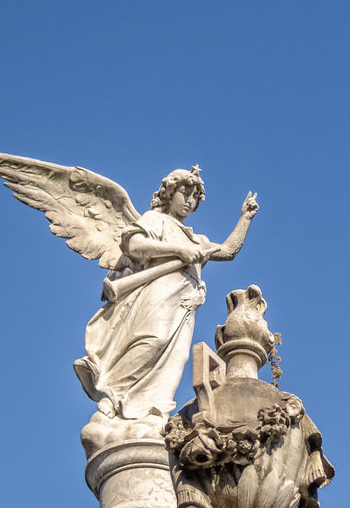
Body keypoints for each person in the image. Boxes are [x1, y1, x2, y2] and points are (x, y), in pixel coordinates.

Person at [73, 168, 258, 420]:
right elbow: (134, 245)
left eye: (195, 197)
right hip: (158, 294)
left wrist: (245, 218)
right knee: (153, 340)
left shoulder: (196, 239)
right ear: (170, 194)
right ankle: (113, 395)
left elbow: (227, 250)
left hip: (185, 305)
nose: (189, 201)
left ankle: (152, 411)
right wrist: (179, 251)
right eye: (185, 193)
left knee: (175, 360)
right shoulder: (155, 220)